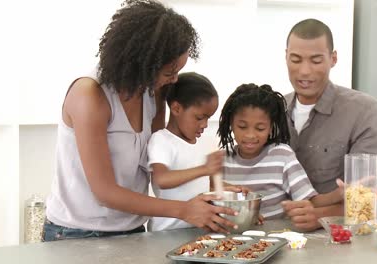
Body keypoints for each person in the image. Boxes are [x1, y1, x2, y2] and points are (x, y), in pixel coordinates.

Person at [43, 0, 237, 242]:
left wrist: (215, 186)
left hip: (132, 229)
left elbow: (157, 165)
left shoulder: (152, 92)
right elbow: (105, 192)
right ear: (140, 63)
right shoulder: (90, 96)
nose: (174, 79)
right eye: (169, 72)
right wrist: (184, 210)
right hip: (75, 234)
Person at [282, 18, 377, 231]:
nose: (304, 71)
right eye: (296, 59)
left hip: (338, 240)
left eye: (316, 60)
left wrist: (319, 216)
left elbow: (367, 197)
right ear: (286, 57)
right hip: (275, 236)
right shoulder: (274, 109)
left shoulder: (363, 110)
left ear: (333, 59)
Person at [218, 83, 344, 220]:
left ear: (271, 127)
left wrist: (339, 194)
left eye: (260, 128)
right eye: (242, 127)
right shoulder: (222, 160)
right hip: (233, 238)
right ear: (231, 124)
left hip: (277, 235)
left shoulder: (281, 155)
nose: (250, 135)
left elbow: (310, 201)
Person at [147, 72, 227, 231]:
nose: (205, 124)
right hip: (165, 234)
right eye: (199, 117)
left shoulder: (203, 143)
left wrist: (231, 189)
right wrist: (205, 169)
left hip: (196, 231)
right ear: (176, 108)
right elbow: (161, 179)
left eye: (208, 118)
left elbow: (203, 186)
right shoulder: (162, 140)